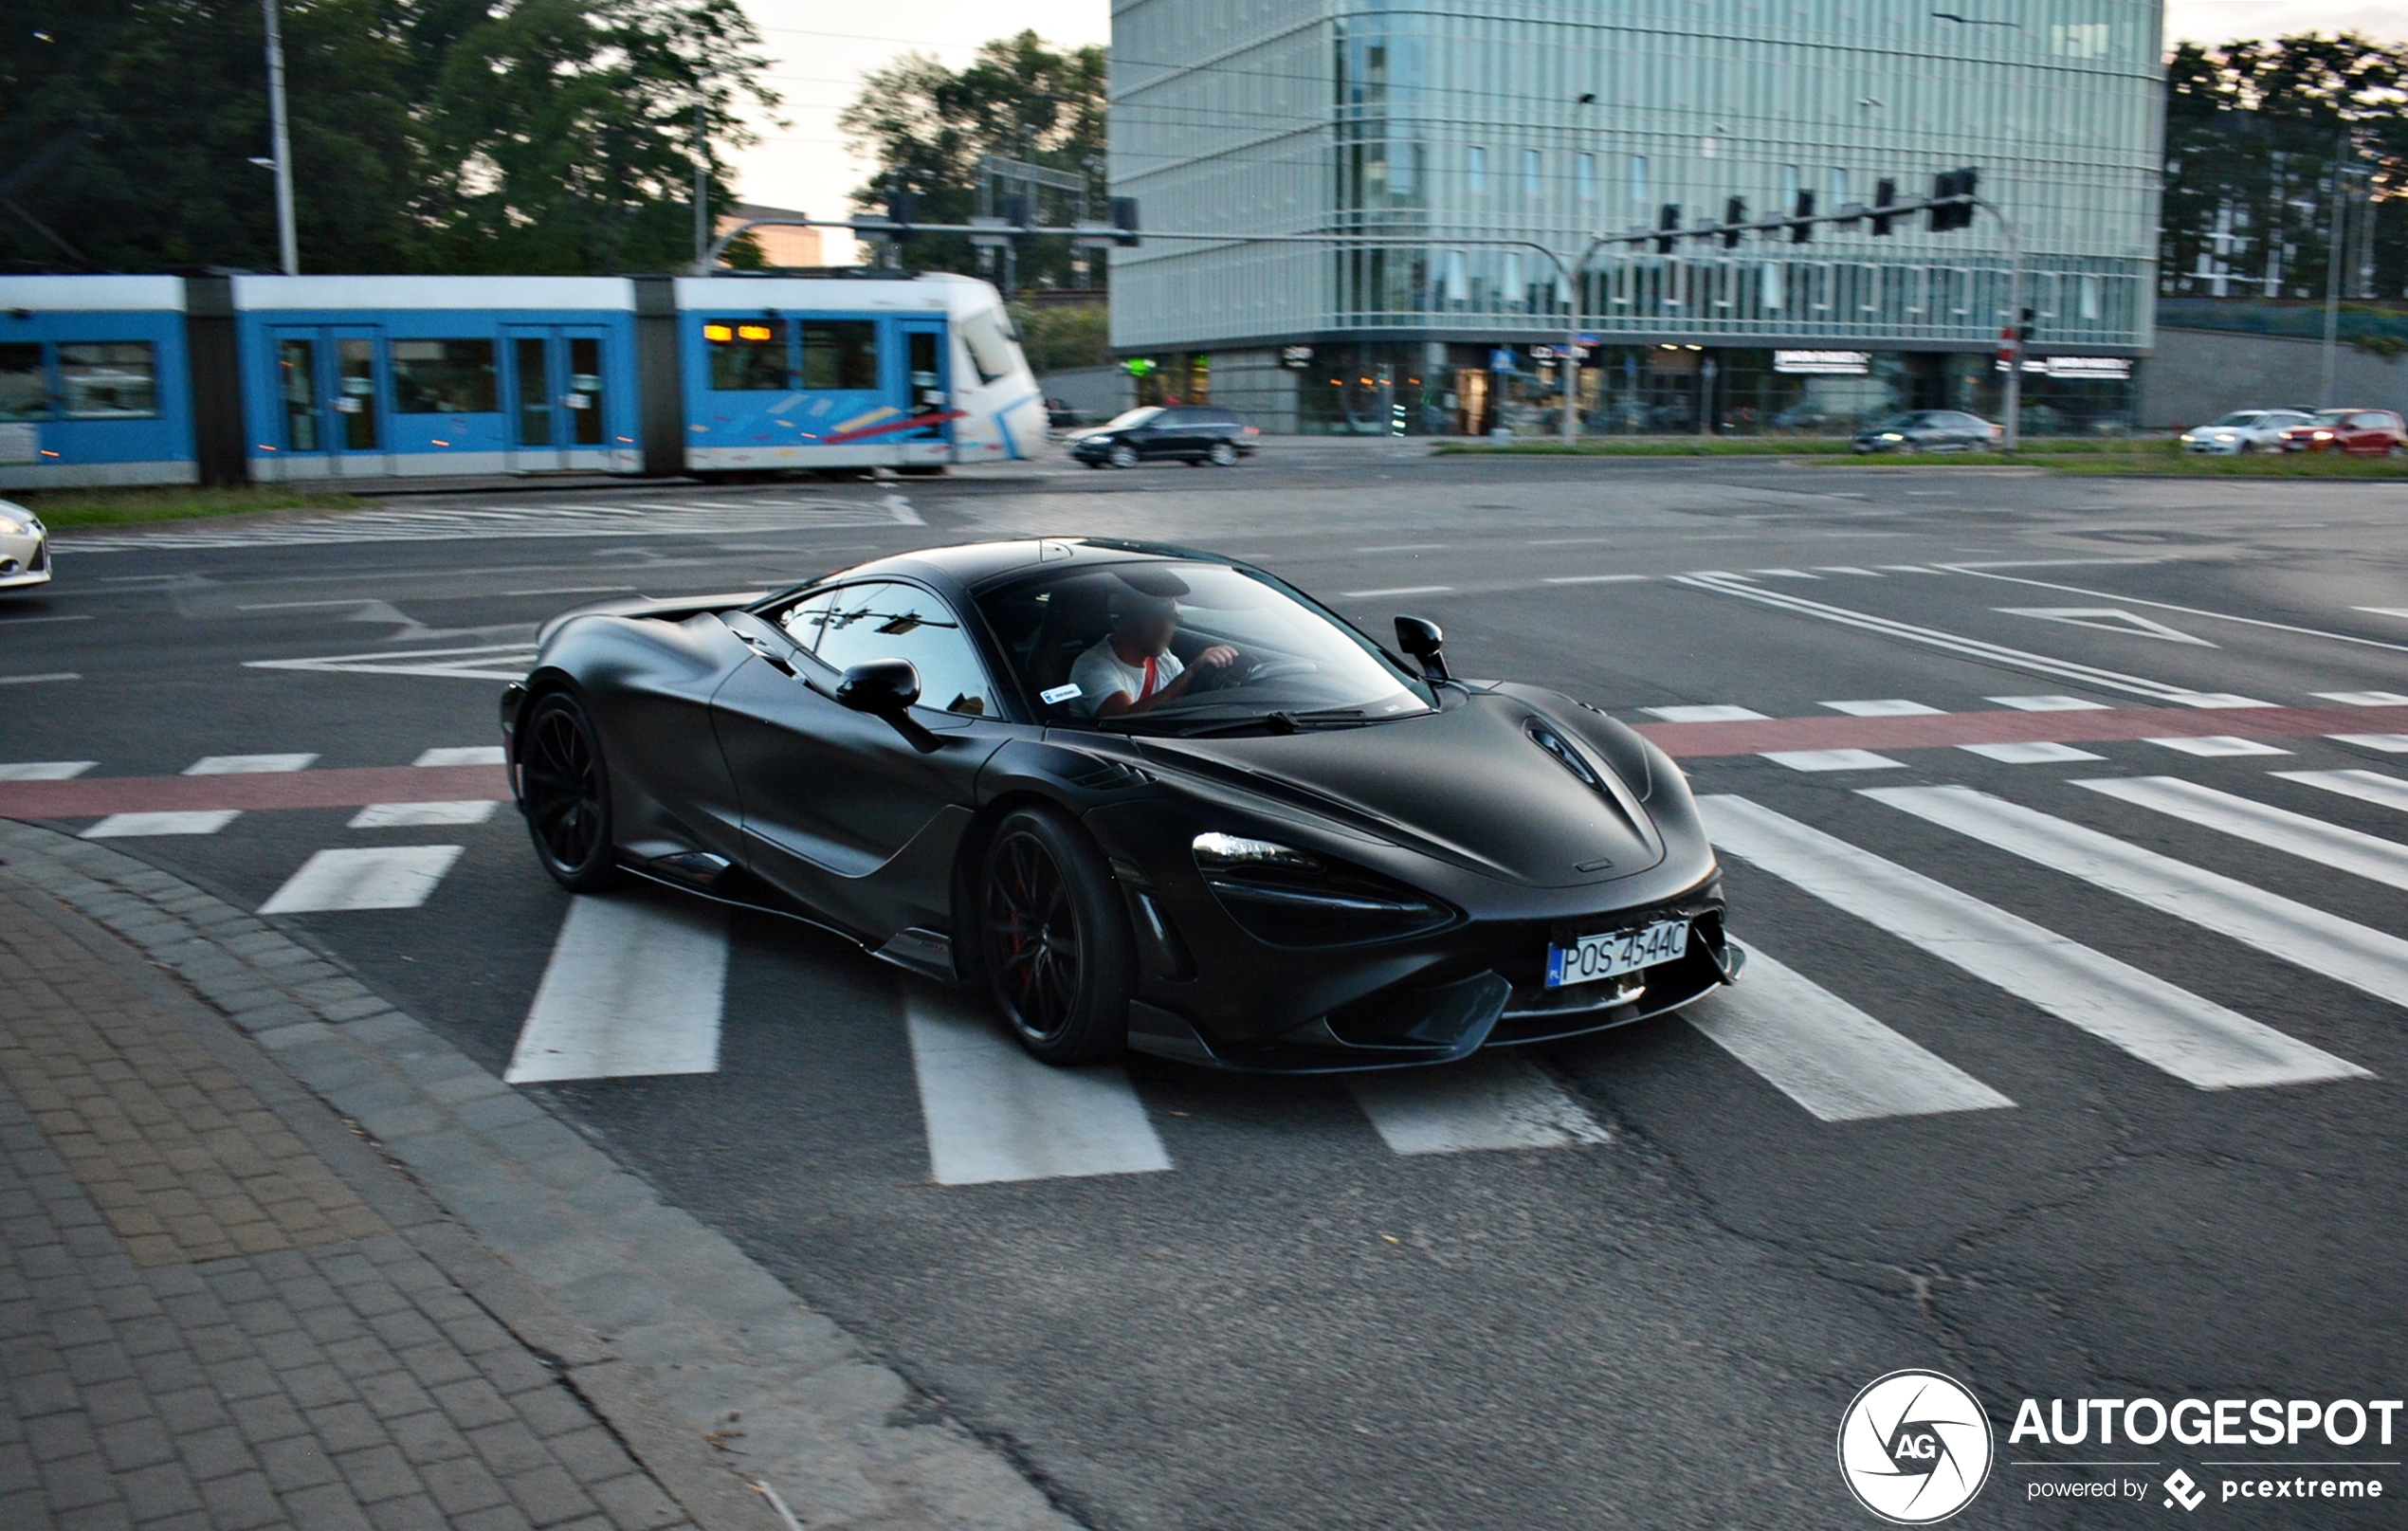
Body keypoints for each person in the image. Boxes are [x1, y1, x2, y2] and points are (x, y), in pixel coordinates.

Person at [1068, 577, 1237, 718]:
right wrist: (1192, 671)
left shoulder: (1165, 660)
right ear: (1123, 620)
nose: (1165, 627)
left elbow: (1185, 696)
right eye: (1154, 617)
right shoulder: (1091, 667)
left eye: (1172, 618)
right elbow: (1124, 719)